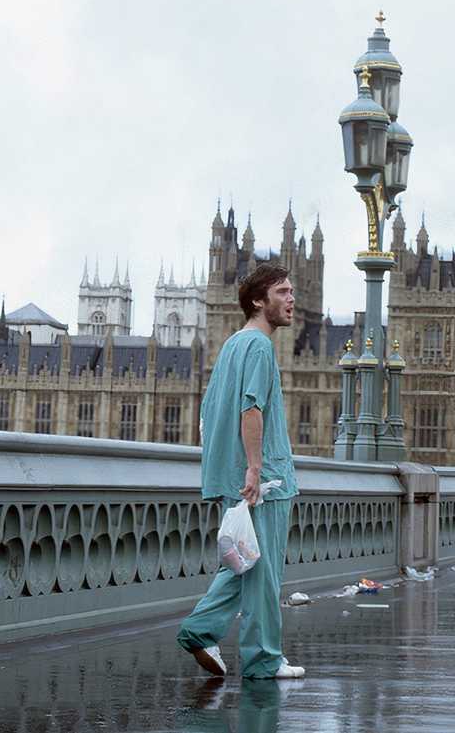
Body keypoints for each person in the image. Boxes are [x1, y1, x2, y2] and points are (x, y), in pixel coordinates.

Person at [177, 263, 304, 679]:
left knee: (243, 562)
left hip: (234, 476)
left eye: (291, 292)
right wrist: (254, 468)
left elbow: (210, 411)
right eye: (282, 292)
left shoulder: (232, 345)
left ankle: (199, 630)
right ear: (257, 301)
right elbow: (252, 407)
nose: (291, 300)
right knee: (264, 572)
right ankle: (263, 660)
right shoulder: (261, 348)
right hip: (263, 480)